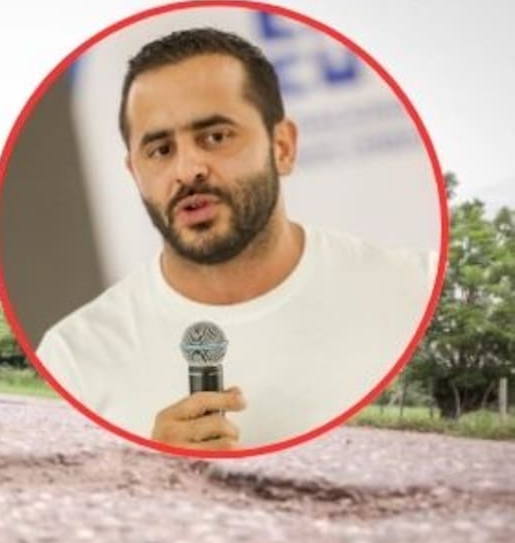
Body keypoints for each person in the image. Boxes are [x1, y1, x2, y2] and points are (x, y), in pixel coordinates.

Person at [36, 27, 435, 450]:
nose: (188, 170)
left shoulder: (416, 291)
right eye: (160, 150)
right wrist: (152, 464)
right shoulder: (73, 359)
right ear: (134, 173)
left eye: (216, 137)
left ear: (282, 147)